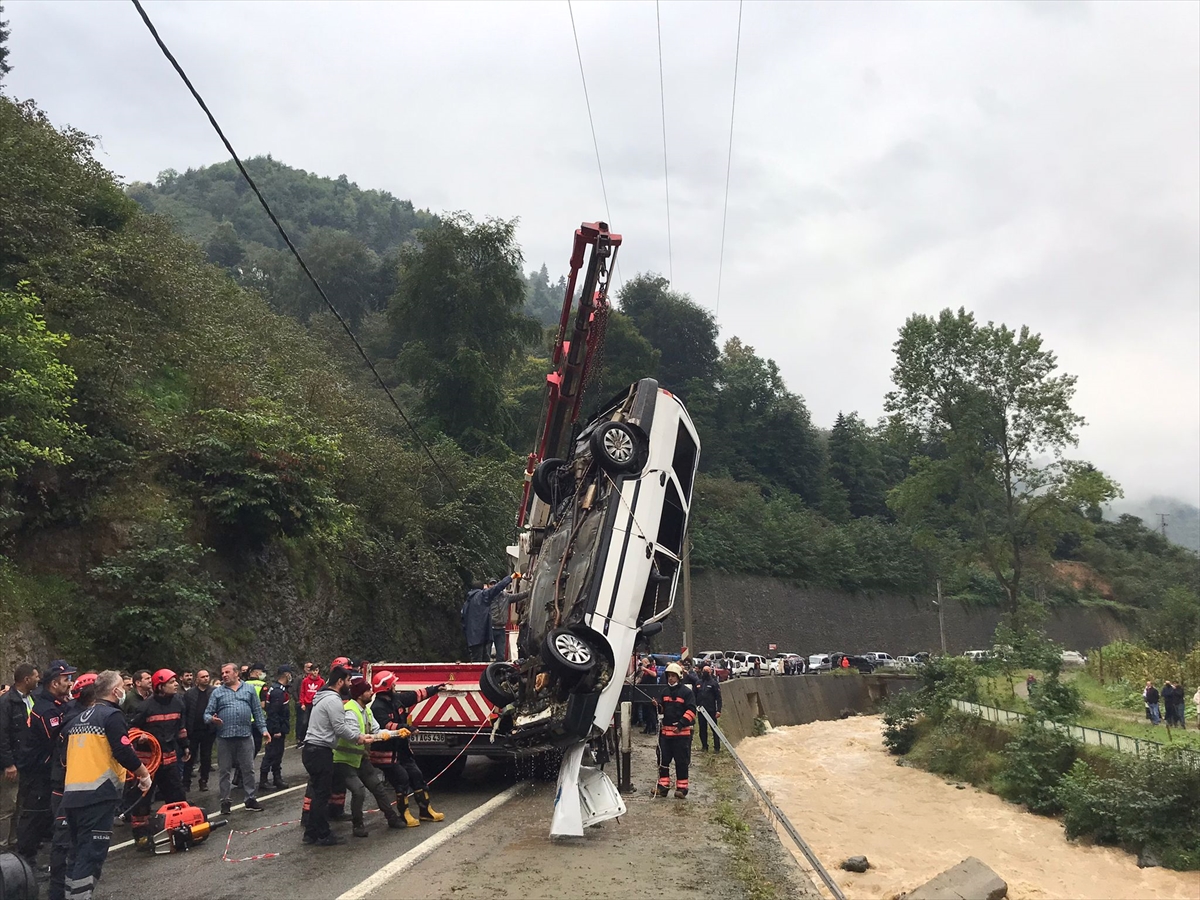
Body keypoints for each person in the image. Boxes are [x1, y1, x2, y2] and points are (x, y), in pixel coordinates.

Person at [60, 671, 151, 900]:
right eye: (123, 687)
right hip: (97, 795)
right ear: (115, 691)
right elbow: (123, 750)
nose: (125, 692)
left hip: (72, 795)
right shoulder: (111, 716)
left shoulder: (80, 717)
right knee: (90, 856)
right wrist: (143, 774)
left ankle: (71, 895)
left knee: (77, 854)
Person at [299, 665, 369, 847]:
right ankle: (323, 834)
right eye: (347, 681)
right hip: (320, 751)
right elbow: (340, 727)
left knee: (317, 793)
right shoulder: (333, 701)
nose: (349, 685)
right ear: (340, 682)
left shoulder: (322, 698)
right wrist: (358, 737)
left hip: (312, 750)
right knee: (322, 796)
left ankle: (311, 833)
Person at [17, 659, 76, 864]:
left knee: (47, 815)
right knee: (34, 815)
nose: (70, 682)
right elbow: (57, 740)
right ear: (54, 683)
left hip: (48, 769)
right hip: (37, 770)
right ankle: (26, 862)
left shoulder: (59, 704)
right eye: (66, 679)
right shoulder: (46, 709)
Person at [369, 672, 445, 825]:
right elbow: (387, 726)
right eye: (394, 684)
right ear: (387, 687)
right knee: (402, 779)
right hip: (387, 753)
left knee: (417, 776)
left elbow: (415, 696)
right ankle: (404, 815)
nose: (396, 687)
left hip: (402, 750)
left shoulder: (396, 700)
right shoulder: (378, 707)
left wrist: (435, 689)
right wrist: (406, 727)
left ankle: (425, 811)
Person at [333, 678, 405, 837]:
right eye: (368, 690)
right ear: (359, 694)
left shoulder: (367, 710)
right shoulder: (350, 711)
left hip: (360, 758)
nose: (372, 692)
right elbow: (356, 736)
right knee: (358, 791)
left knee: (377, 787)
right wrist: (375, 737)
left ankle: (392, 818)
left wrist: (398, 732)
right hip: (343, 760)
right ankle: (357, 825)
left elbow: (377, 731)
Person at [47, 673, 97, 900]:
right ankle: (58, 894)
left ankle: (73, 890)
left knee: (79, 844)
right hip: (67, 789)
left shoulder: (81, 715)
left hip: (79, 788)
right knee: (64, 845)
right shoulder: (76, 721)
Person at [128, 669, 189, 846]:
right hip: (148, 761)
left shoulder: (179, 703)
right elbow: (131, 729)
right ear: (160, 686)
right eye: (171, 682)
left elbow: (181, 728)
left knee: (177, 795)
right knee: (143, 799)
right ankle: (141, 836)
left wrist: (185, 746)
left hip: (169, 758)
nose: (176, 684)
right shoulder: (146, 707)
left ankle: (178, 828)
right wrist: (141, 738)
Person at [204, 662, 270, 816]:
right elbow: (206, 714)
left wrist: (264, 730)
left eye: (227, 672)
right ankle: (225, 801)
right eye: (222, 673)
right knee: (224, 771)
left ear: (236, 673)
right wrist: (212, 719)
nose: (224, 675)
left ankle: (250, 799)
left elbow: (257, 711)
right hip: (224, 737)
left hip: (245, 735)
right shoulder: (217, 692)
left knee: (248, 768)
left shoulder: (249, 689)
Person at [0, 662, 39, 850]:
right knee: (8, 806)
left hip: (25, 760)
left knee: (19, 804)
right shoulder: (7, 702)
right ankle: (2, 844)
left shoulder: (29, 699)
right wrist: (8, 763)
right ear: (26, 679)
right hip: (11, 763)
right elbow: (2, 734)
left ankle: (14, 841)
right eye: (35, 676)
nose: (38, 679)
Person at [654, 662, 696, 799]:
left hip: (681, 735)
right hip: (665, 735)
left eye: (673, 676)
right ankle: (663, 787)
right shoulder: (664, 692)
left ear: (679, 677)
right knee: (663, 761)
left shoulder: (687, 693)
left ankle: (682, 789)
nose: (670, 678)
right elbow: (662, 710)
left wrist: (680, 725)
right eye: (669, 676)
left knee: (681, 762)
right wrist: (657, 705)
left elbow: (691, 710)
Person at [461, 575, 514, 662]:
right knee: (484, 661)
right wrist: (511, 577)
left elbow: (463, 619)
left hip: (472, 637)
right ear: (482, 588)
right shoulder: (482, 596)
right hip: (482, 635)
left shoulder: (467, 602)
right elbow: (498, 587)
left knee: (476, 660)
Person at [259, 666, 293, 792]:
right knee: (271, 753)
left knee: (278, 754)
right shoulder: (277, 691)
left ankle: (277, 777)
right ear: (285, 674)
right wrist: (277, 729)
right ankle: (263, 780)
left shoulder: (277, 689)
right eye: (289, 674)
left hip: (279, 726)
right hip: (275, 728)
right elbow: (273, 712)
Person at [182, 669, 214, 792]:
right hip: (193, 730)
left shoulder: (213, 692)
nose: (206, 678)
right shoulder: (190, 694)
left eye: (207, 676)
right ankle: (186, 782)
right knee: (190, 756)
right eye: (203, 677)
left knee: (206, 757)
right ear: (197, 679)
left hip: (208, 730)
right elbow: (185, 712)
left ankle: (204, 780)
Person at [489, 575, 529, 661]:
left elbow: (518, 596)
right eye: (491, 584)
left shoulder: (505, 596)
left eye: (494, 584)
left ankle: (499, 671)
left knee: (501, 654)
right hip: (490, 628)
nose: (493, 586)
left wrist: (530, 590)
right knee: (487, 653)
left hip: (501, 629)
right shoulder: (488, 596)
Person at [695, 664, 723, 752]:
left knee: (714, 729)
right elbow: (694, 695)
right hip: (701, 710)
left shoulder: (714, 684)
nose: (705, 673)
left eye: (706, 671)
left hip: (711, 710)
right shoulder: (698, 683)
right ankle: (704, 746)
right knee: (702, 729)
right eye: (704, 671)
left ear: (710, 672)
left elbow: (718, 698)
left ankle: (717, 748)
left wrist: (718, 710)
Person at [296, 662, 323, 747]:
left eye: (316, 670)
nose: (315, 672)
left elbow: (322, 692)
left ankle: (314, 739)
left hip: (316, 704)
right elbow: (302, 692)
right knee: (304, 722)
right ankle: (302, 739)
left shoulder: (321, 681)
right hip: (307, 704)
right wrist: (302, 703)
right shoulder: (305, 681)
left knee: (315, 723)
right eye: (313, 671)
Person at [638, 655, 659, 735]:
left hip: (651, 692)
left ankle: (654, 728)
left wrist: (645, 669)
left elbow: (654, 674)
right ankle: (647, 728)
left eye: (645, 662)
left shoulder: (651, 668)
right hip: (644, 691)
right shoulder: (643, 671)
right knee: (646, 711)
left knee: (651, 711)